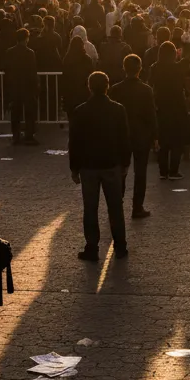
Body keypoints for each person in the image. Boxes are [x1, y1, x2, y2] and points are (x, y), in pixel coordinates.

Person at [68, 71, 131, 261]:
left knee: (90, 208)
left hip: (89, 166)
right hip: (111, 164)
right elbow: (124, 139)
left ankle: (92, 247)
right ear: (107, 86)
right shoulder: (118, 109)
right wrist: (125, 162)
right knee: (115, 207)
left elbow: (75, 142)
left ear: (89, 87)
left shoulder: (80, 111)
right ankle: (120, 246)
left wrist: (74, 167)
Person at [111, 54, 157, 218]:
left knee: (120, 171)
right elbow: (151, 115)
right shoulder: (146, 90)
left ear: (124, 68)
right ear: (139, 69)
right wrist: (154, 137)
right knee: (140, 172)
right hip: (141, 135)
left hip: (121, 136)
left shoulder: (115, 89)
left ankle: (117, 204)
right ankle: (137, 206)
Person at [151, 41, 187, 180]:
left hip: (160, 105)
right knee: (176, 140)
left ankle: (163, 170)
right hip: (177, 105)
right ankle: (174, 170)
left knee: (163, 139)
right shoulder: (178, 68)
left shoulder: (155, 67)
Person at [2, 28, 39, 146]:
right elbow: (33, 71)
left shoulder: (9, 52)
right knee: (29, 112)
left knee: (15, 112)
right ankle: (29, 135)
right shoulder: (30, 53)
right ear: (26, 38)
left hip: (14, 86)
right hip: (27, 86)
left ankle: (16, 135)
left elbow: (6, 69)